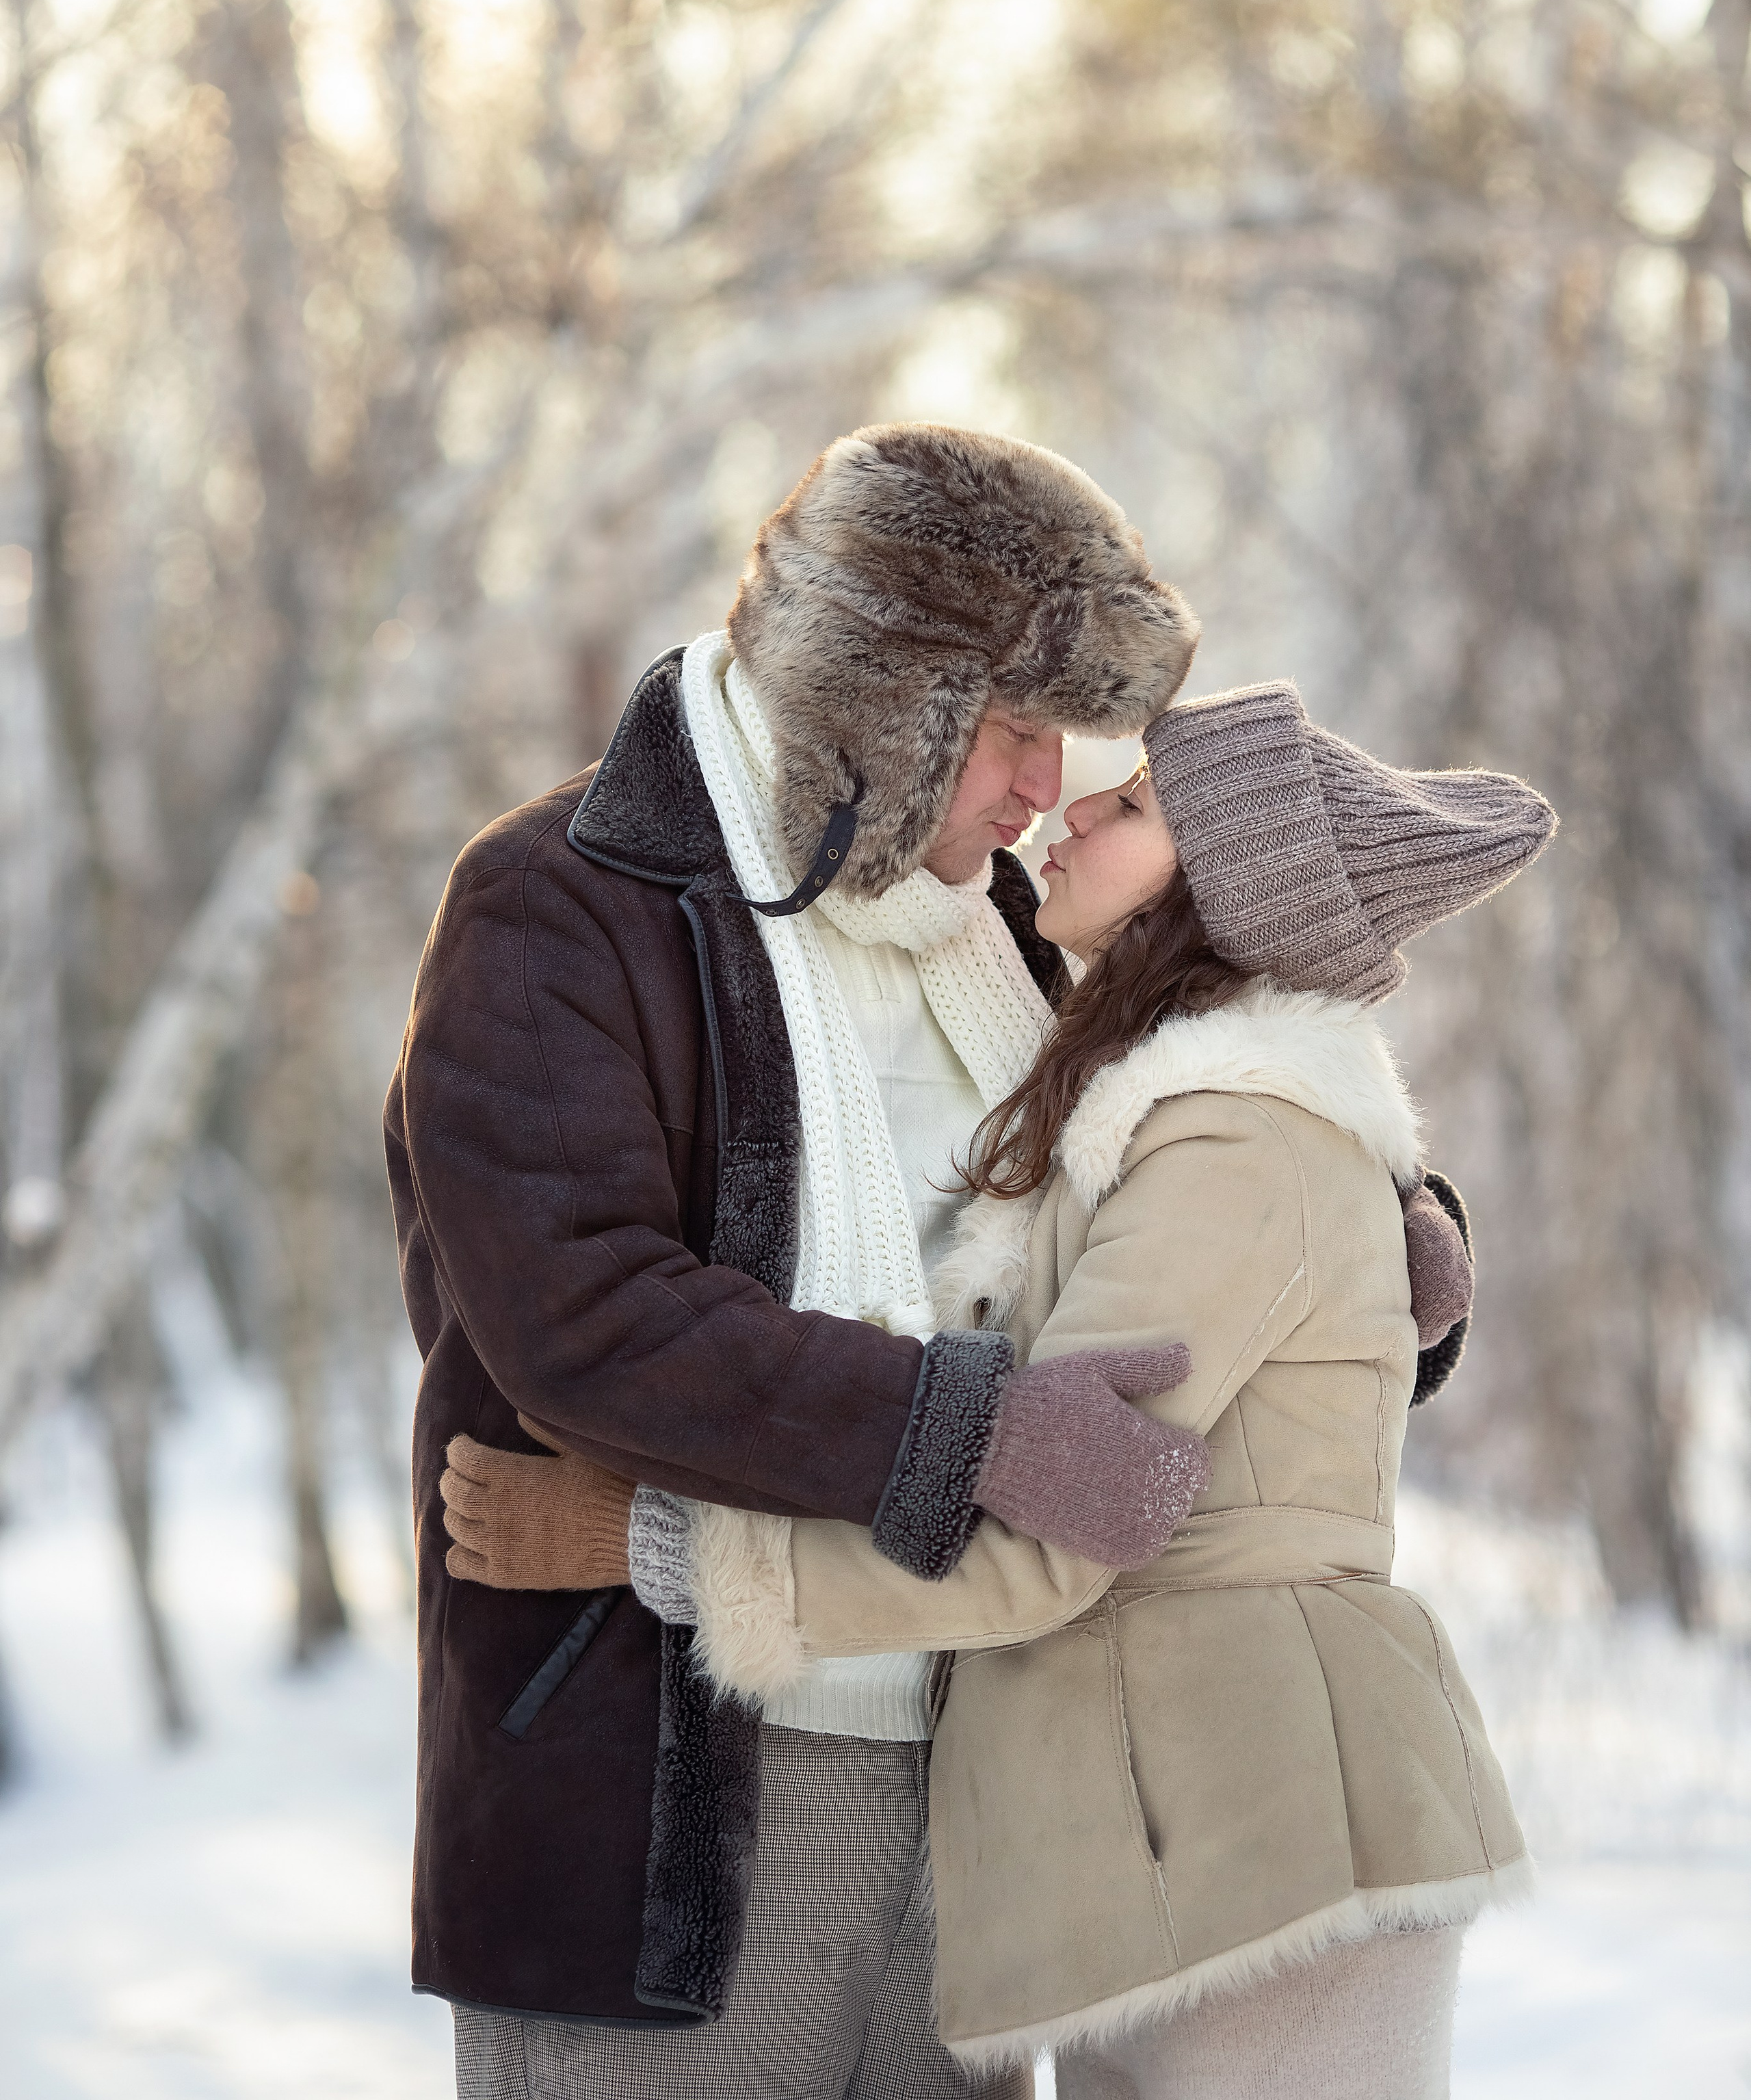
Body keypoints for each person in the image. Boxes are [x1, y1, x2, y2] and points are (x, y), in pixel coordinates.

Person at [447, 678, 1546, 2100]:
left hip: (1274, 1836)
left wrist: (652, 1544)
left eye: (1135, 804)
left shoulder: (1229, 1142)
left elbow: (1058, 1521)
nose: (1072, 803)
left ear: (1216, 898)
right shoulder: (1160, 1109)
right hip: (1173, 1838)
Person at [387, 422, 1209, 2100]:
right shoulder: (559, 906)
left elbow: (1132, 1222)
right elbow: (587, 1321)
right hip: (674, 1801)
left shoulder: (991, 938)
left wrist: (1353, 1224)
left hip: (980, 1775)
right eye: (1015, 726)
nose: (1042, 788)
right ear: (882, 692)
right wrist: (969, 1433)